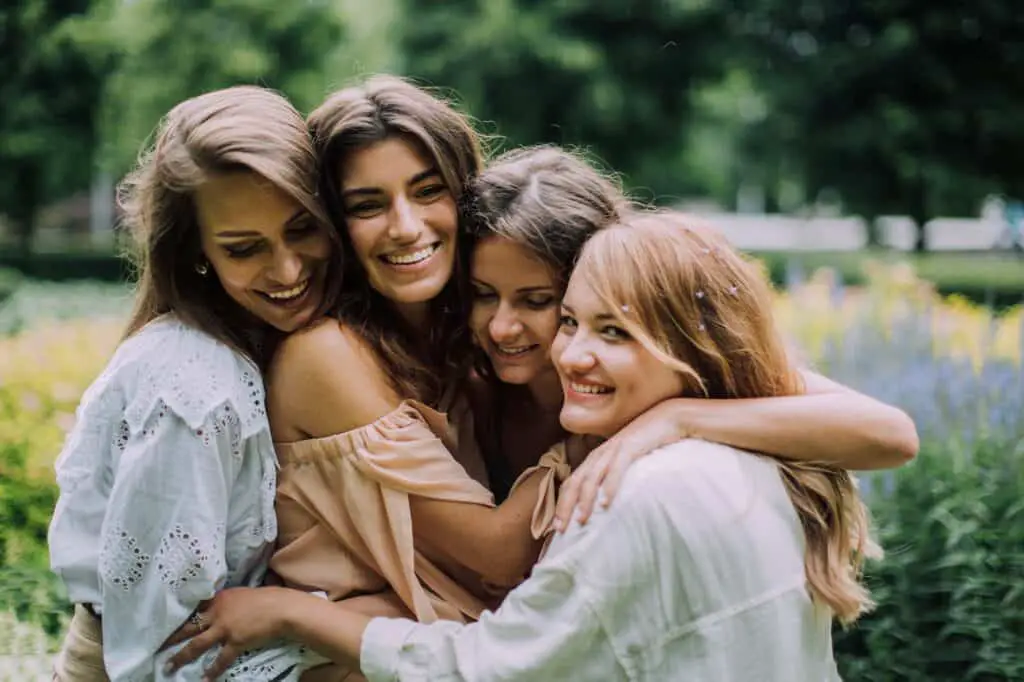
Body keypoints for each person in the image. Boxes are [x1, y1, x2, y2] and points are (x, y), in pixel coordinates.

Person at [168, 209, 880, 680]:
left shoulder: (632, 490)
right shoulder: (763, 453)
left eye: (614, 334)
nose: (568, 354)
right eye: (572, 321)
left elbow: (490, 668)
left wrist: (297, 615)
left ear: (689, 351)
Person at [46, 85, 341, 681]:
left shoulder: (270, 339)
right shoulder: (194, 387)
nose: (286, 270)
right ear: (197, 251)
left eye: (302, 228)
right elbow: (158, 654)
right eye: (244, 248)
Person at [463, 145, 917, 526]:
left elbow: (891, 435)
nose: (502, 327)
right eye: (483, 294)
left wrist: (679, 417)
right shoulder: (475, 389)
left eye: (538, 301)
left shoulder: (665, 376)